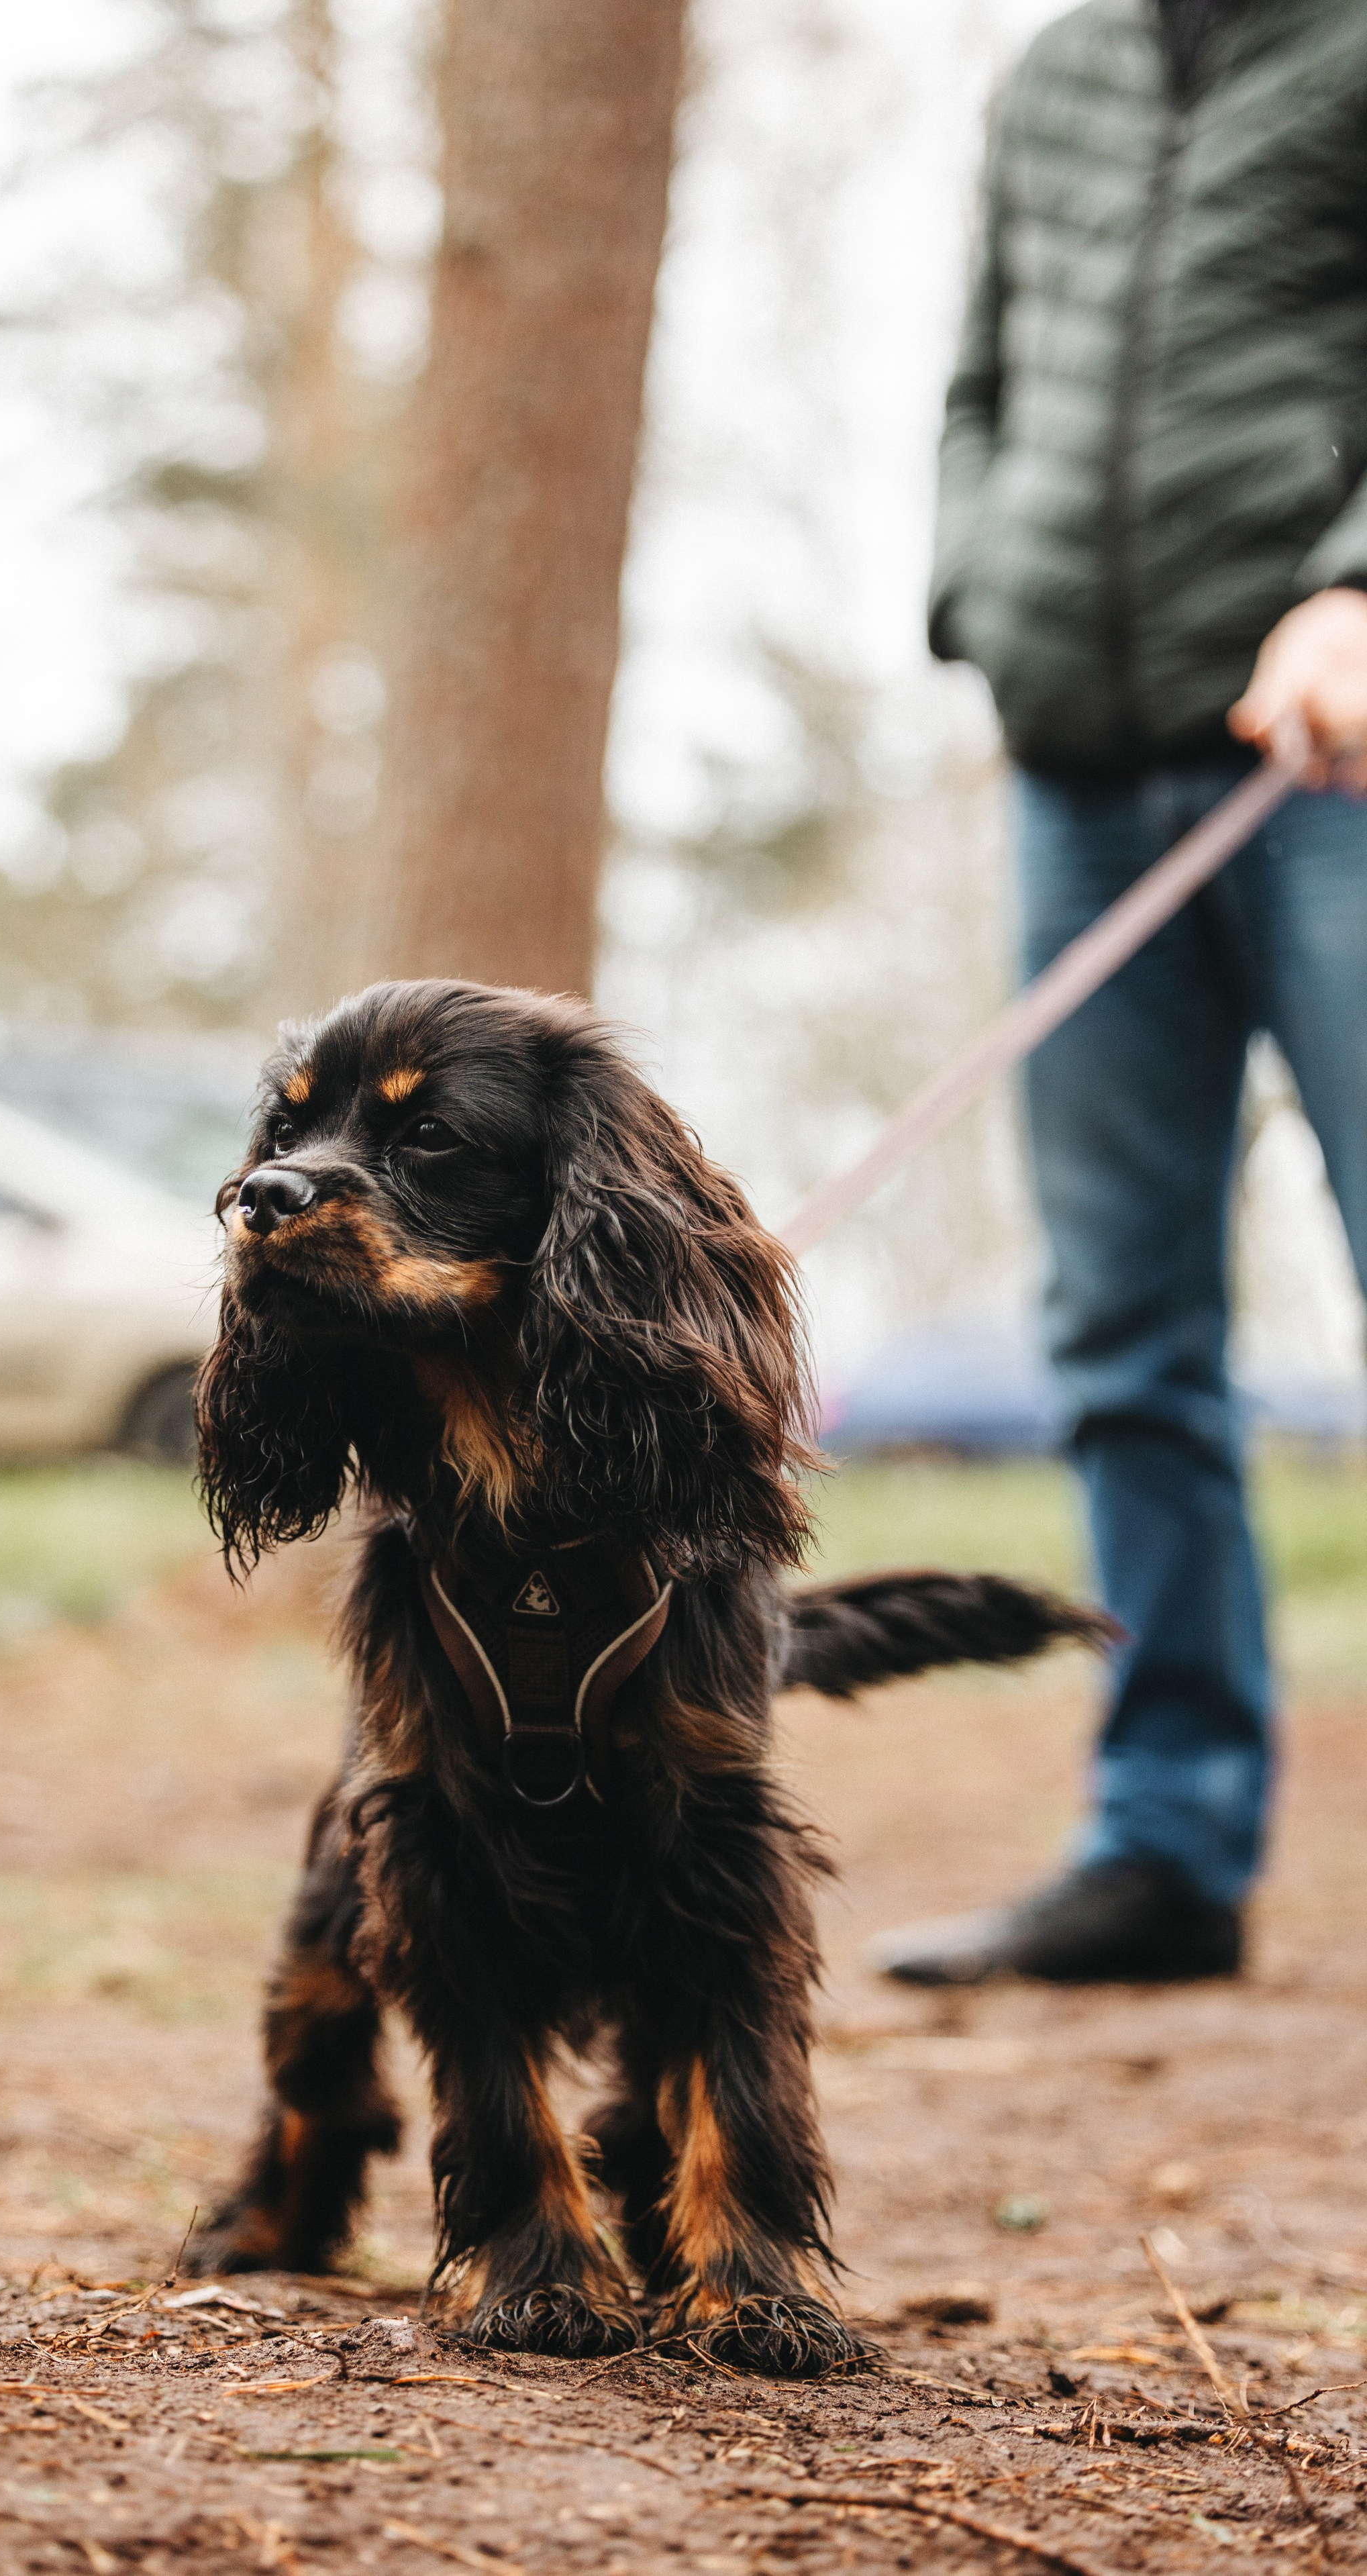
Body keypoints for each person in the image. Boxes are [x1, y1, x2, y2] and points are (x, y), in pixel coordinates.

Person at [871, 0, 1367, 1985]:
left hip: (1334, 770)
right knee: (1119, 1334)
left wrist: (1360, 585)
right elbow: (980, 386)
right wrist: (979, 593)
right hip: (1079, 776)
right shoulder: (1059, 72)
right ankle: (1165, 1844)